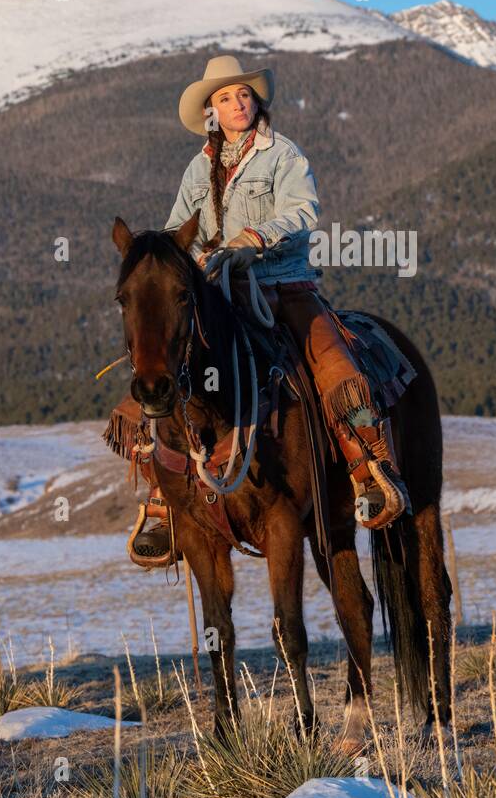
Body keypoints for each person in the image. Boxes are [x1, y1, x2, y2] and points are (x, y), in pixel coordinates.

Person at [131, 55, 409, 559]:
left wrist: (255, 237)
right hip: (217, 291)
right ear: (211, 111)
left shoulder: (282, 154)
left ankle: (367, 468)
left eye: (243, 95)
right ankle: (164, 497)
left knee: (333, 363)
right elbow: (179, 230)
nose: (237, 104)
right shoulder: (199, 168)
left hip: (282, 285)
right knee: (160, 367)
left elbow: (303, 210)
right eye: (224, 98)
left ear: (256, 101)